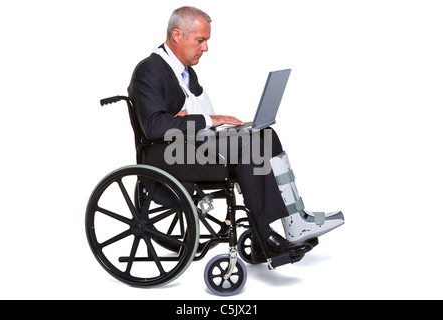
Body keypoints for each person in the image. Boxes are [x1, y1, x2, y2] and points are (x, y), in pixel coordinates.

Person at [128, 6, 344, 262]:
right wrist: (200, 119)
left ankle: (294, 218)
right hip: (168, 156)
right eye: (200, 40)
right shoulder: (150, 69)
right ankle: (264, 235)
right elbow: (155, 126)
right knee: (249, 147)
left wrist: (192, 118)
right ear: (177, 35)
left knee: (265, 135)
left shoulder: (185, 71)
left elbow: (200, 112)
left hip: (189, 144)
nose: (205, 48)